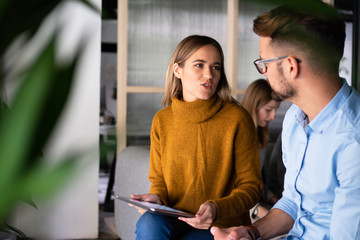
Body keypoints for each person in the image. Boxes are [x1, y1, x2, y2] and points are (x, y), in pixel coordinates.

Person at [211, 1, 360, 239]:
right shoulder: (294, 119)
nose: (264, 73)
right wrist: (250, 233)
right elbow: (293, 201)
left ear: (290, 66)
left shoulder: (353, 141)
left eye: (264, 64)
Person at [131, 35, 262, 240]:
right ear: (178, 70)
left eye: (216, 67)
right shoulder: (162, 120)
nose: (209, 74)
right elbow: (159, 181)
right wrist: (155, 198)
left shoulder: (237, 118)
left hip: (221, 225)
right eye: (199, 65)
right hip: (174, 219)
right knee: (148, 223)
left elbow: (252, 187)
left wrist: (216, 208)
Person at [241, 79, 284, 220]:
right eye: (268, 110)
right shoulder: (237, 137)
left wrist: (273, 199)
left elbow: (256, 182)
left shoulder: (260, 139)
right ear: (254, 105)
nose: (272, 116)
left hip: (258, 203)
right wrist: (258, 210)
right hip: (242, 208)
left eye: (276, 110)